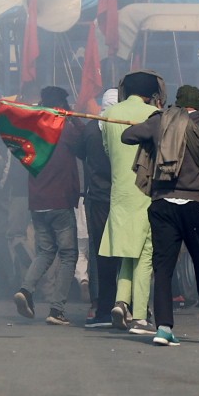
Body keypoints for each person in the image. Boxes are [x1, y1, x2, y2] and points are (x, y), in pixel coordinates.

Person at [121, 84, 199, 345]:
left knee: (163, 268)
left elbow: (127, 136)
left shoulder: (161, 121)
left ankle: (163, 328)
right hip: (195, 205)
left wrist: (152, 127)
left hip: (163, 204)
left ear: (178, 104)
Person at [14, 86, 89, 326]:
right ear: (63, 106)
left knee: (45, 252)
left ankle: (26, 290)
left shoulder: (32, 130)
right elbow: (84, 145)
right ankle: (57, 309)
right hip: (60, 201)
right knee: (68, 255)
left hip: (38, 201)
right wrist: (74, 118)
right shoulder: (64, 128)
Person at [98, 72, 161, 333]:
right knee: (145, 252)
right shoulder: (154, 115)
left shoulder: (110, 114)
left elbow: (107, 149)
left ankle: (121, 302)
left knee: (127, 251)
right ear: (151, 94)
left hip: (119, 191)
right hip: (145, 190)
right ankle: (140, 316)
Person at [80, 88, 120, 328]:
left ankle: (103, 308)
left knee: (101, 255)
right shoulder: (125, 127)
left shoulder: (91, 129)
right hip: (121, 198)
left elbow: (79, 151)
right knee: (126, 254)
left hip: (97, 199)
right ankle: (128, 305)